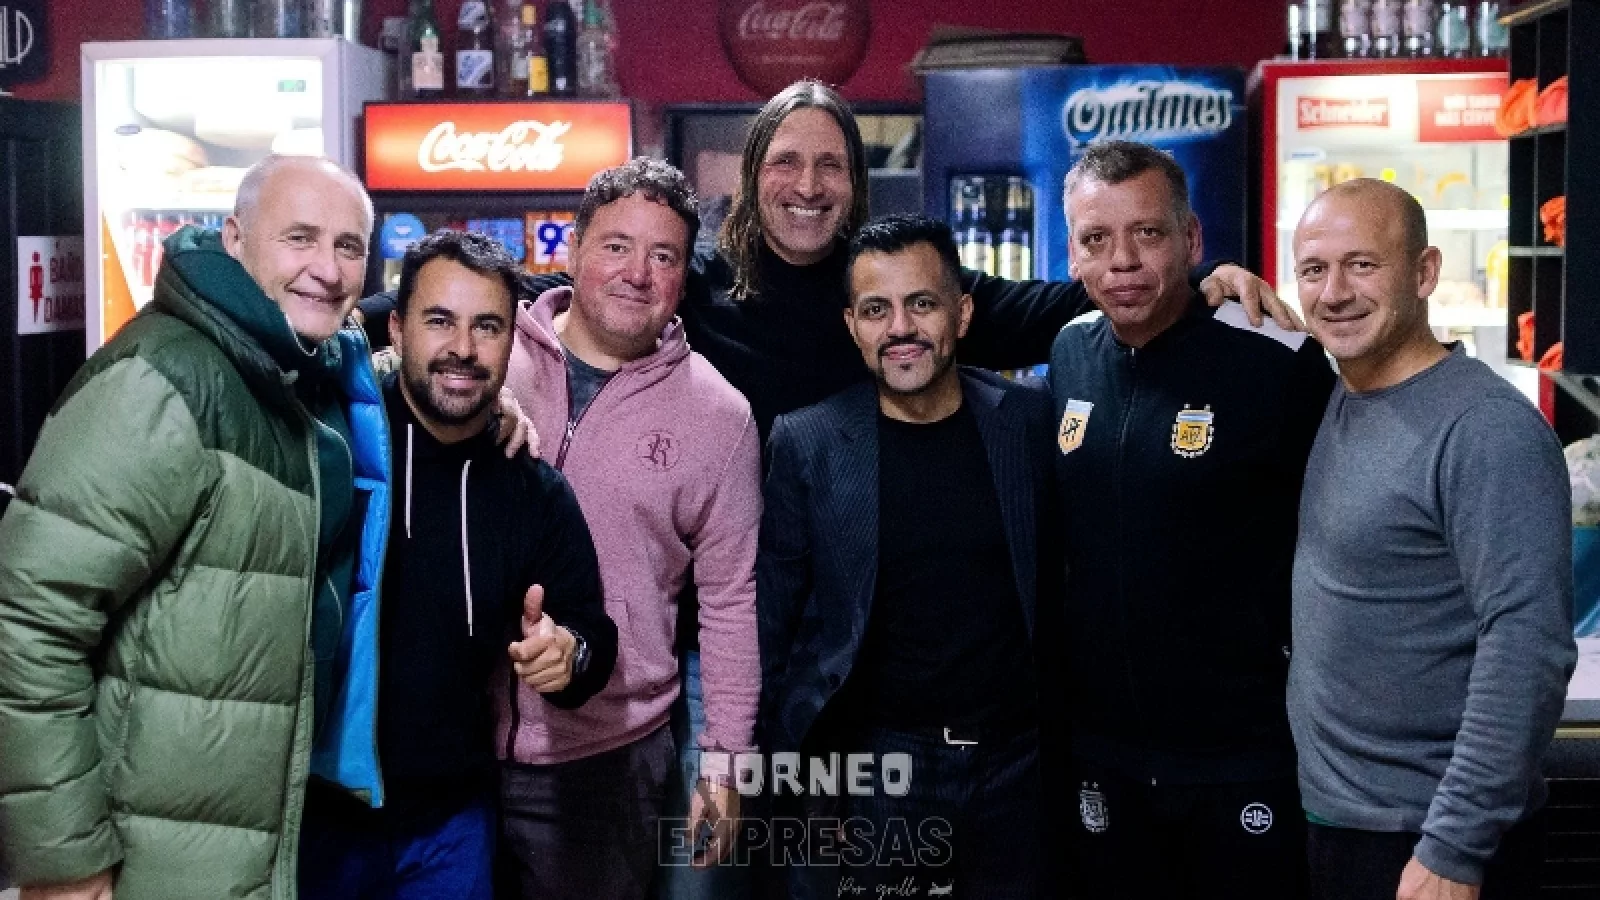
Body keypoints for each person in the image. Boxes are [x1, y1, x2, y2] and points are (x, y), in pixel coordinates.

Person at [0, 155, 390, 900]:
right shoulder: (164, 376)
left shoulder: (299, 375)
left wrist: (505, 404)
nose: (327, 268)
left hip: (242, 838)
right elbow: (26, 622)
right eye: (300, 237)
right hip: (142, 853)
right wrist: (65, 855)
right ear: (235, 239)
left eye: (348, 246)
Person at [1047, 141, 1336, 898]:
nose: (1122, 261)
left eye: (1147, 232)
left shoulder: (1278, 360)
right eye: (1095, 239)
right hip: (1102, 755)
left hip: (1244, 755)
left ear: (1191, 238)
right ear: (1072, 252)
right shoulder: (1069, 353)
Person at [297, 230, 618, 900]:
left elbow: (591, 634)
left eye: (487, 326)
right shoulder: (332, 441)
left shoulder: (531, 488)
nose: (464, 348)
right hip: (313, 813)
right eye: (440, 320)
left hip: (452, 821)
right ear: (397, 329)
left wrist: (569, 653)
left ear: (512, 339)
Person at [1288, 178, 1577, 900]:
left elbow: (1529, 644)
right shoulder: (1340, 394)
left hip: (1429, 841)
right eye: (1314, 270)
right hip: (1342, 823)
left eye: (1363, 265)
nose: (1334, 293)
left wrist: (1455, 845)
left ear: (1424, 272)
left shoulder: (1486, 428)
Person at [759, 215, 1062, 899]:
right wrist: (797, 791)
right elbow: (772, 630)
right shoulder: (807, 443)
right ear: (851, 325)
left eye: (921, 303)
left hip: (1020, 770)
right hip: (876, 774)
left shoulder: (1029, 420)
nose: (900, 328)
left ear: (962, 313)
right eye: (876, 310)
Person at [494, 157, 763, 900]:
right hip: (455, 748)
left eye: (663, 256)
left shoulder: (720, 416)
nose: (638, 274)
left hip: (611, 762)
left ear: (683, 277)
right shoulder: (492, 359)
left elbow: (731, 603)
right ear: (574, 248)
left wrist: (725, 766)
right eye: (617, 246)